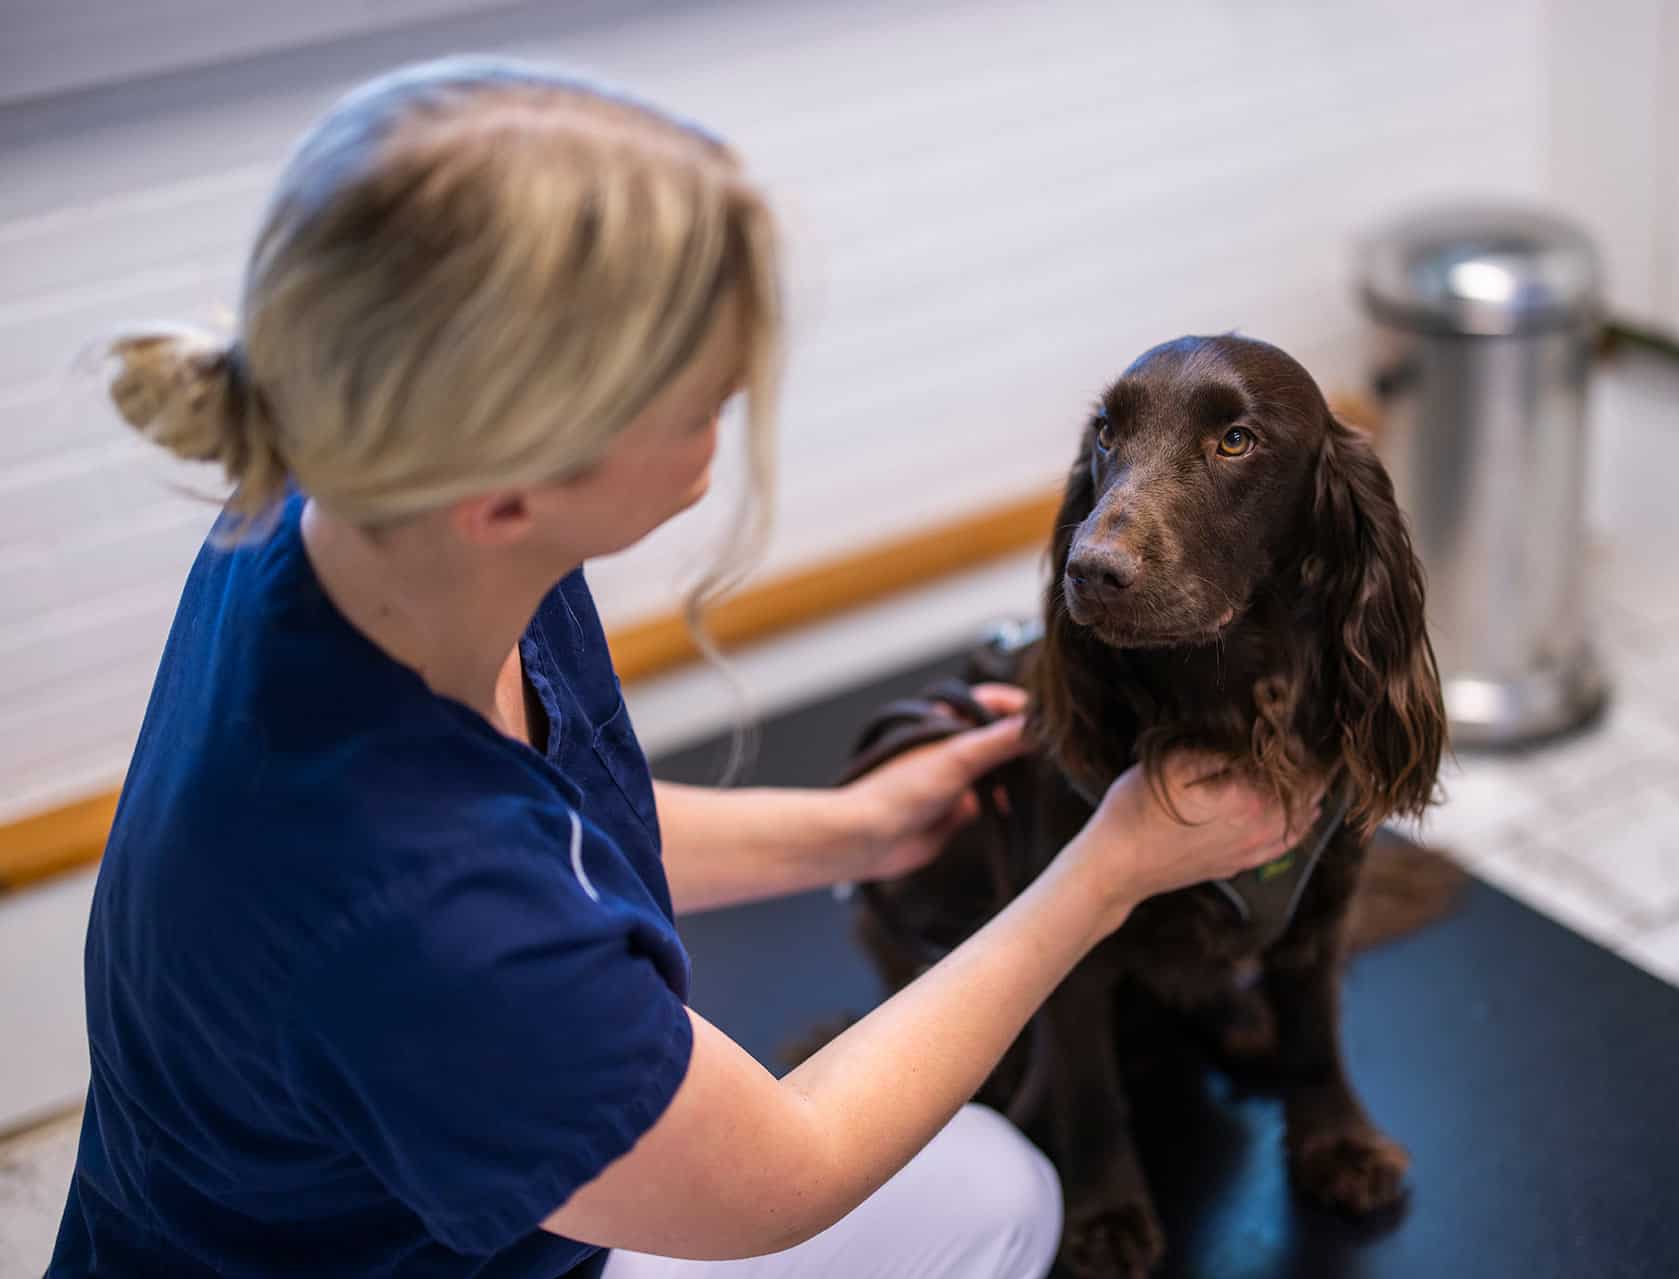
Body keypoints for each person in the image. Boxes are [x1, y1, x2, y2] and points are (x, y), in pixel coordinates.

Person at [47, 57, 1319, 1279]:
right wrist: (1106, 870)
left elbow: (543, 831)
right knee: (1000, 1200)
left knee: (978, 1177)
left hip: (293, 1182)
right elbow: (789, 1173)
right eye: (705, 397)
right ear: (510, 491)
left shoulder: (345, 506)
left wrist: (850, 828)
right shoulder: (421, 927)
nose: (733, 411)